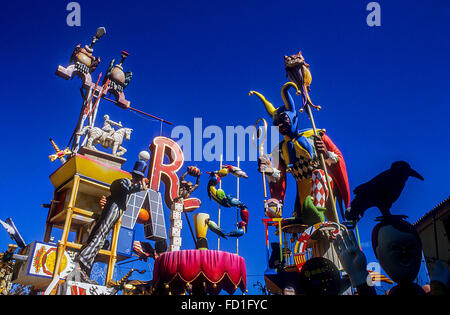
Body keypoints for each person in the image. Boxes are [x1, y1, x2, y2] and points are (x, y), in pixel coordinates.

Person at [71, 155, 149, 284]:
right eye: (137, 177)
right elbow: (124, 189)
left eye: (139, 178)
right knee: (99, 237)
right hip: (111, 212)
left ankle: (84, 270)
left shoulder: (128, 187)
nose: (137, 180)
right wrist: (140, 187)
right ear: (134, 175)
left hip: (114, 214)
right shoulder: (122, 182)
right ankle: (79, 265)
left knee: (100, 240)